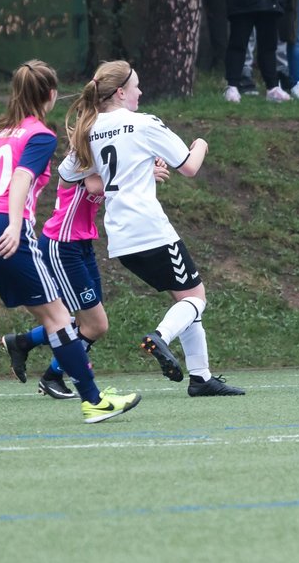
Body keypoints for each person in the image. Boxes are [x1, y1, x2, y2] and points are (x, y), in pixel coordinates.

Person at [0, 60, 139, 427]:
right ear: (50, 95)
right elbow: (20, 177)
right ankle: (94, 401)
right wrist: (16, 224)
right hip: (2, 225)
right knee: (58, 318)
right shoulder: (40, 135)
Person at [61, 60, 245, 397]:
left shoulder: (88, 128)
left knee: (184, 299)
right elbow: (189, 167)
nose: (140, 92)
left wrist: (138, 172)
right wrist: (201, 143)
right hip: (149, 227)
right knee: (196, 298)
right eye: (136, 86)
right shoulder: (143, 124)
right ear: (120, 92)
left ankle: (201, 378)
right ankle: (160, 336)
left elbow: (78, 178)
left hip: (119, 235)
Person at [0, 155, 170, 399]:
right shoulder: (84, 151)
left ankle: (24, 342)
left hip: (82, 244)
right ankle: (52, 376)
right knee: (95, 324)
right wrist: (142, 174)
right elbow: (94, 185)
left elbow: (121, 168)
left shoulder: (107, 146)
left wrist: (148, 162)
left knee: (87, 321)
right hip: (62, 245)